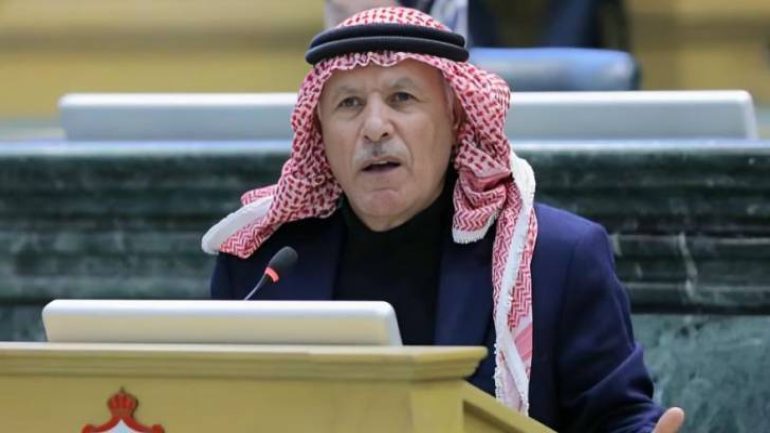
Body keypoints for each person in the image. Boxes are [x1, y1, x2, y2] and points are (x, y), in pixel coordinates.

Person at [202, 7, 684, 433]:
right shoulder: (260, 268)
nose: (375, 127)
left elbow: (616, 417)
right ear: (320, 132)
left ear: (456, 121)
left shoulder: (556, 258)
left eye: (402, 98)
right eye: (349, 104)